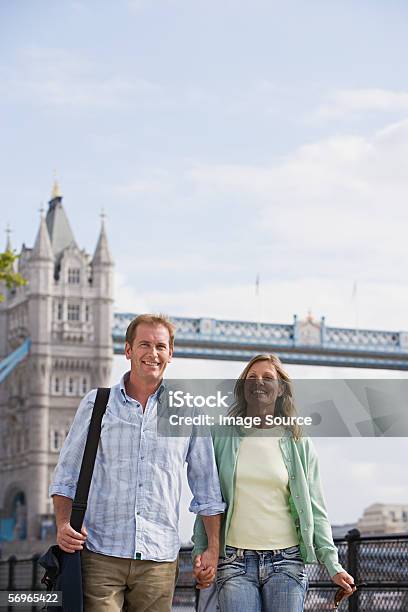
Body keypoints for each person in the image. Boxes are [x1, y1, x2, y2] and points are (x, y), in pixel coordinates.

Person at [50, 314, 225, 612]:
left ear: (171, 353)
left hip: (159, 557)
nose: (152, 353)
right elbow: (67, 473)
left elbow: (207, 486)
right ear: (128, 350)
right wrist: (63, 524)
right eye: (144, 344)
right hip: (100, 552)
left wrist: (212, 548)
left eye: (160, 346)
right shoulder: (97, 404)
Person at [192, 354, 356, 612]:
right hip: (233, 562)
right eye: (252, 378)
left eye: (268, 378)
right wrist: (201, 553)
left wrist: (333, 565)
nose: (259, 383)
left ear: (281, 389)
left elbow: (316, 508)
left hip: (287, 562)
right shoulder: (220, 435)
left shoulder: (299, 441)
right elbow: (207, 499)